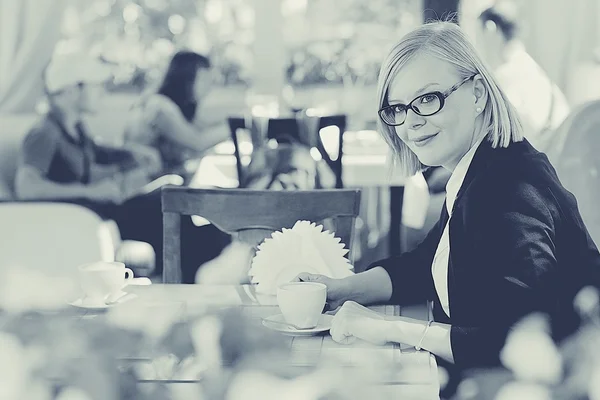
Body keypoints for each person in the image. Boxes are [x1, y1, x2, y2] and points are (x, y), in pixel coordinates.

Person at [293, 21, 600, 376]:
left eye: (427, 99)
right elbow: (431, 263)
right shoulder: (481, 169)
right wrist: (341, 289)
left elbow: (518, 339)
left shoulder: (508, 187)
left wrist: (384, 327)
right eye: (398, 108)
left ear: (478, 93)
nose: (410, 124)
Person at [15, 54, 174, 276]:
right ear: (72, 91)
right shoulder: (44, 133)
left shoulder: (75, 128)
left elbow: (97, 152)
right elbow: (27, 187)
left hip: (101, 212)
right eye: (96, 86)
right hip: (81, 220)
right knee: (168, 207)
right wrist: (91, 191)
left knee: (170, 193)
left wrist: (134, 153)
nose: (102, 93)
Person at [476, 1, 570, 152]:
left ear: (490, 31)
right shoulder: (531, 69)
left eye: (476, 35)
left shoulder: (507, 78)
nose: (476, 46)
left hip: (538, 166)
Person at [124, 50, 230, 175]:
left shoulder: (168, 103)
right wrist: (238, 124)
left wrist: (226, 122)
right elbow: (197, 142)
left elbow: (201, 128)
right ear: (186, 78)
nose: (208, 87)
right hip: (141, 182)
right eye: (203, 79)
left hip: (157, 178)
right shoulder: (160, 108)